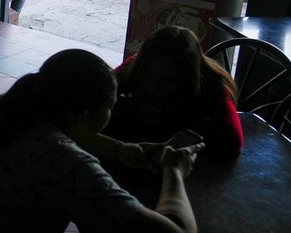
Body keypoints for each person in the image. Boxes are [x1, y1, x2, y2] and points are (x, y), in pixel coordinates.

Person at [0, 49, 203, 233]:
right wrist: (174, 172)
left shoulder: (2, 111)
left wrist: (118, 149)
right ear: (86, 114)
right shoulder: (67, 166)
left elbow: (69, 135)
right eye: (111, 106)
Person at [103, 26, 243, 161]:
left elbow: (232, 140)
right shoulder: (133, 67)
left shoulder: (213, 84)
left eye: (166, 81)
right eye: (148, 76)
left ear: (188, 79)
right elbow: (96, 91)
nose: (153, 87)